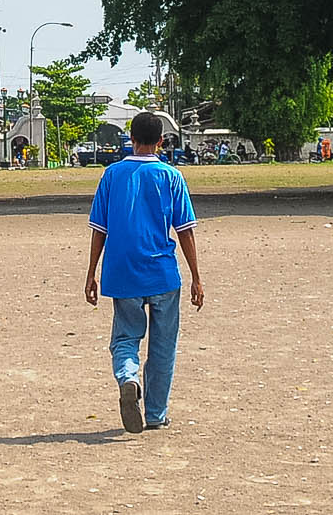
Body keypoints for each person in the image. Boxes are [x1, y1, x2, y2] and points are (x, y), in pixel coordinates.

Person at [81, 111, 202, 433]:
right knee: (163, 346)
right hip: (162, 272)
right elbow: (185, 230)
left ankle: (128, 377)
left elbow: (99, 229)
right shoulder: (171, 177)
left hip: (122, 272)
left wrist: (91, 272)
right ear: (162, 142)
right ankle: (156, 414)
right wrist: (196, 277)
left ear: (130, 139)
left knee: (125, 337)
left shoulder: (112, 175)